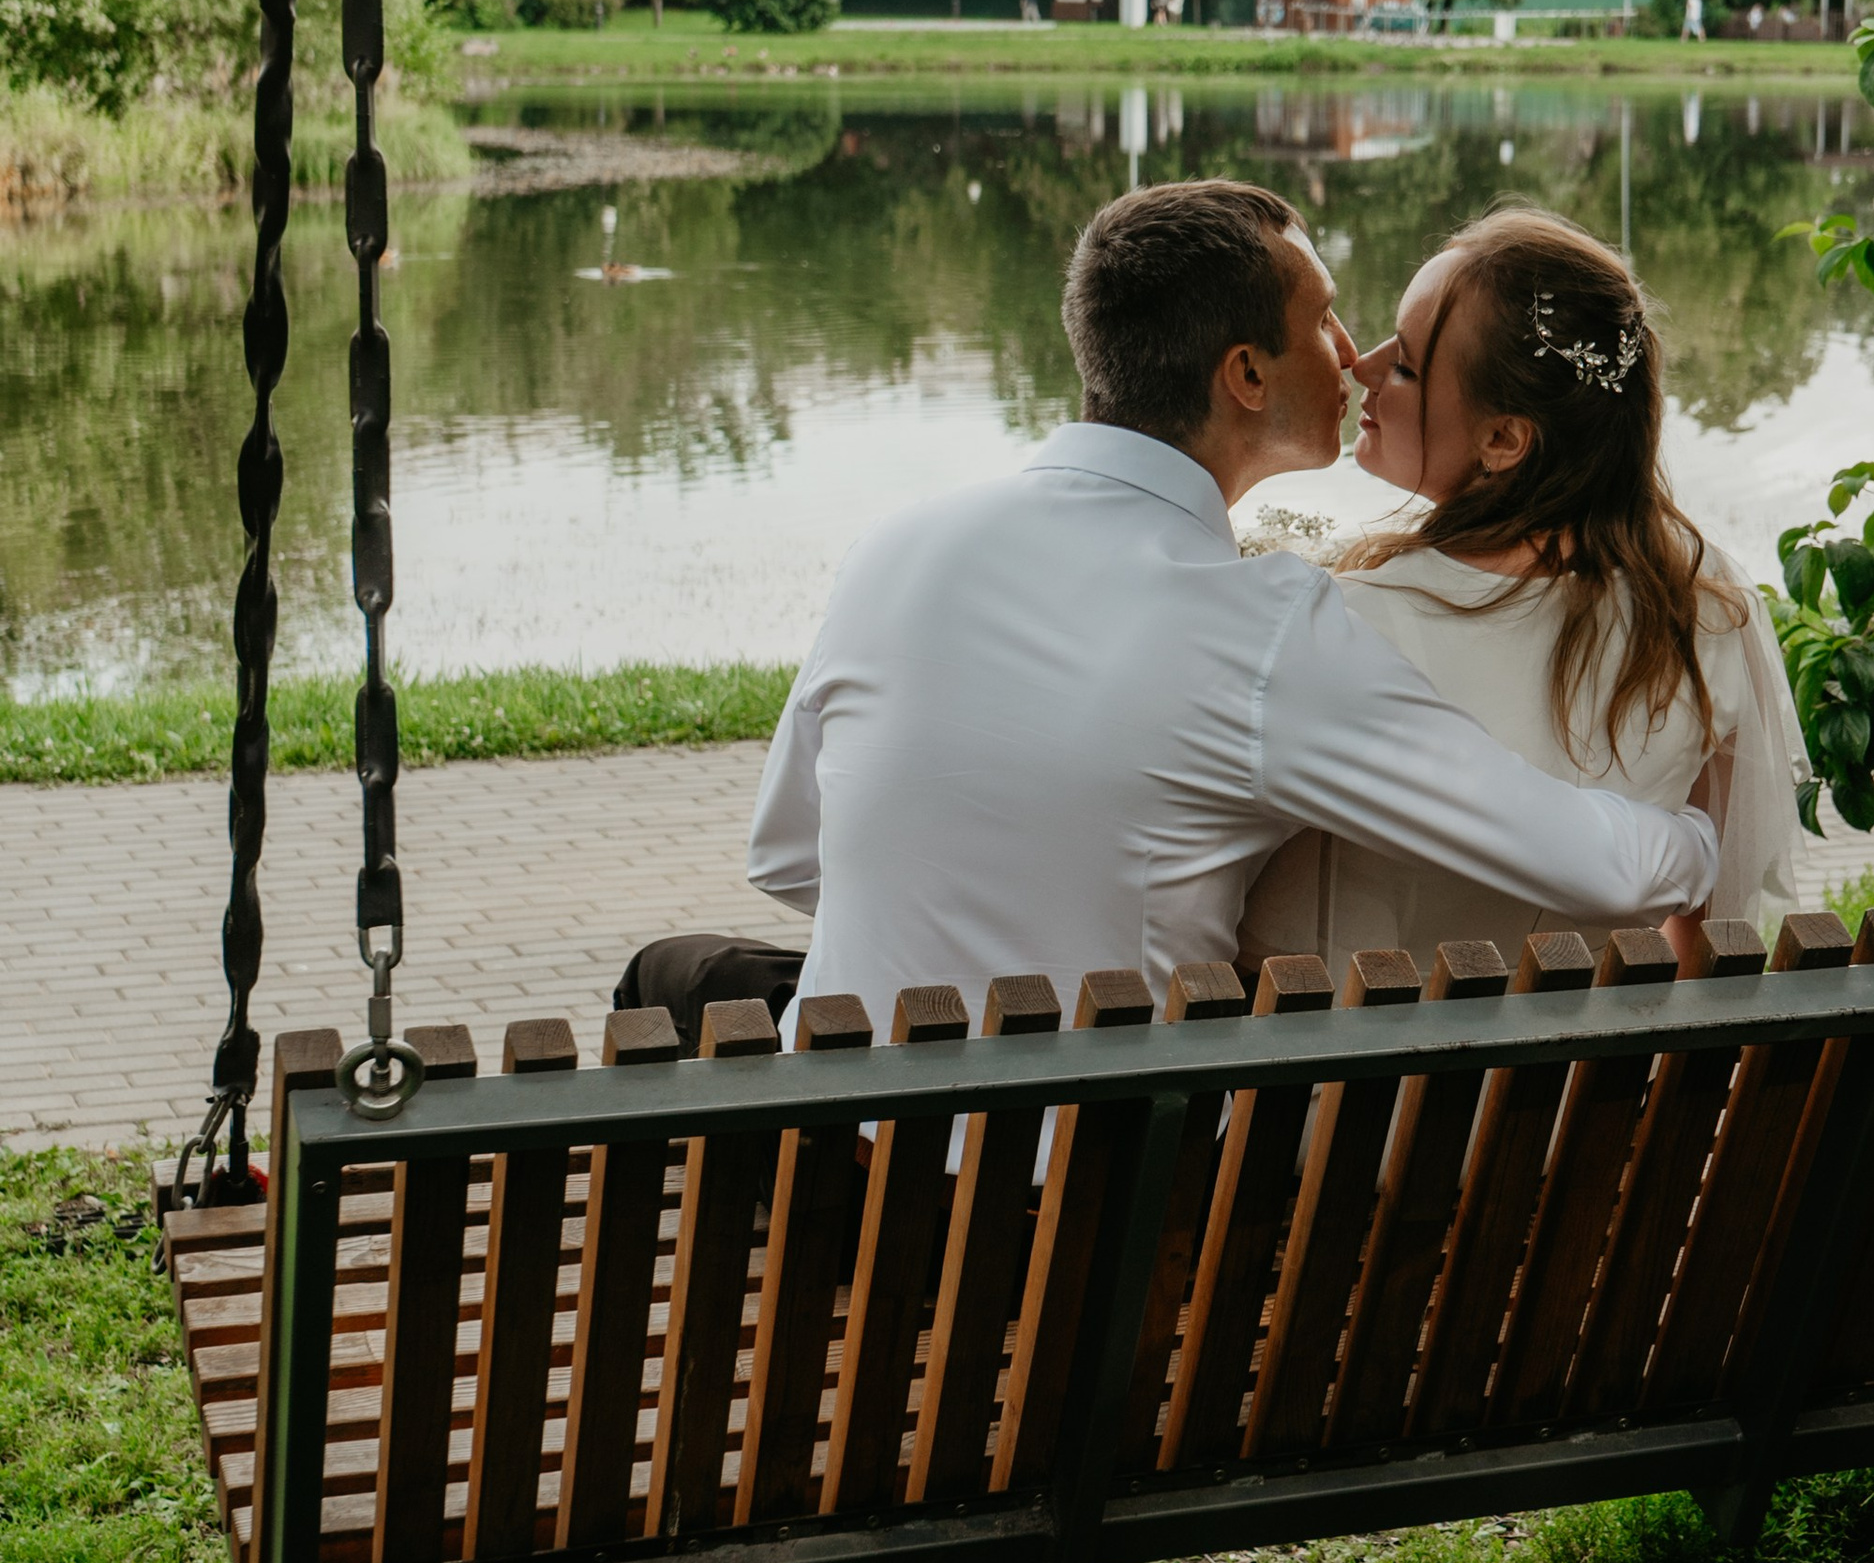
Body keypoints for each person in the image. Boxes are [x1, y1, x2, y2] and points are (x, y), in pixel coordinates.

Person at [616, 178, 1717, 1045]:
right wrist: (1701, 837)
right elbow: (1596, 866)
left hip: (853, 1143)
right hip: (1085, 1203)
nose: (1354, 358)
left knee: (677, 976)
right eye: (1327, 320)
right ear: (1245, 372)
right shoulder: (1260, 632)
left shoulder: (897, 547)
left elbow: (790, 859)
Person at [1240, 208, 1804, 975]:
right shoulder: (1705, 608)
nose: (1359, 367)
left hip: (1359, 1089)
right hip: (1582, 1089)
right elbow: (1704, 938)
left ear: (1503, 439)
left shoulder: (1346, 625)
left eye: (1405, 366)